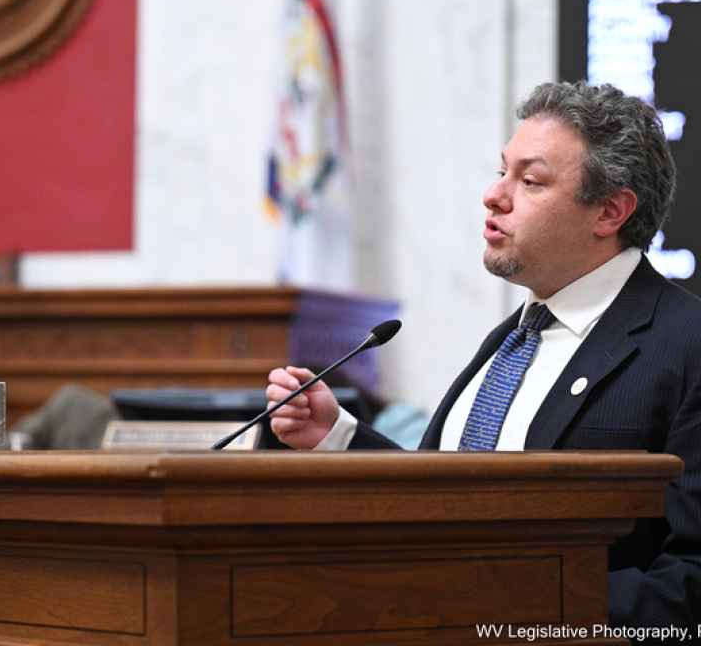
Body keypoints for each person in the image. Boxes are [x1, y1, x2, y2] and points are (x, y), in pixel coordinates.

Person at [266, 81, 701, 635]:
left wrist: (514, 608)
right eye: (502, 171)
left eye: (531, 180)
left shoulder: (687, 344)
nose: (495, 195)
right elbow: (451, 506)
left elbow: (691, 580)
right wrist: (338, 435)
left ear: (610, 211)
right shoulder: (511, 339)